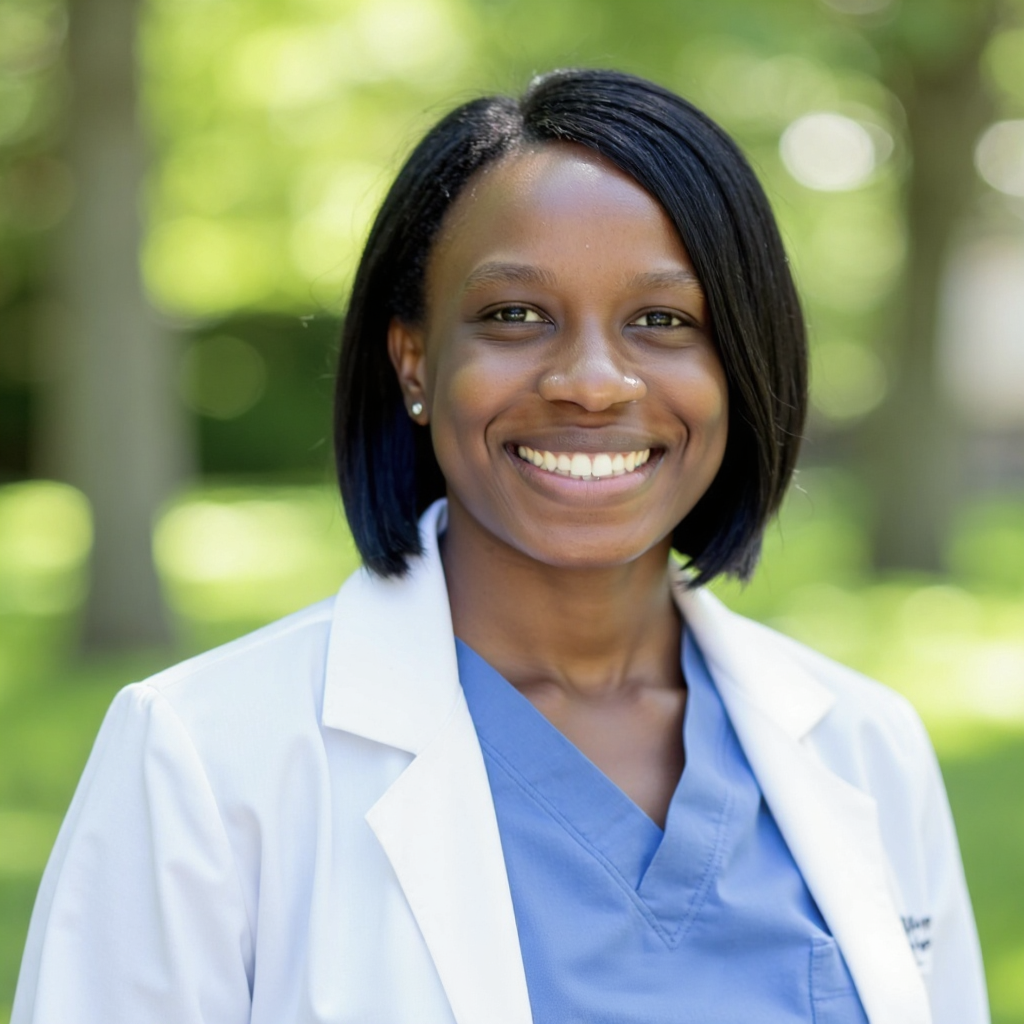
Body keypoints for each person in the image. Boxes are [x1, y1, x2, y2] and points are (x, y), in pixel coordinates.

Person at [13, 68, 987, 1024]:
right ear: (414, 361)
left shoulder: (867, 747)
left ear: (740, 362)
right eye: (515, 315)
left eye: (662, 320)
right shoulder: (204, 756)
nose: (592, 383)